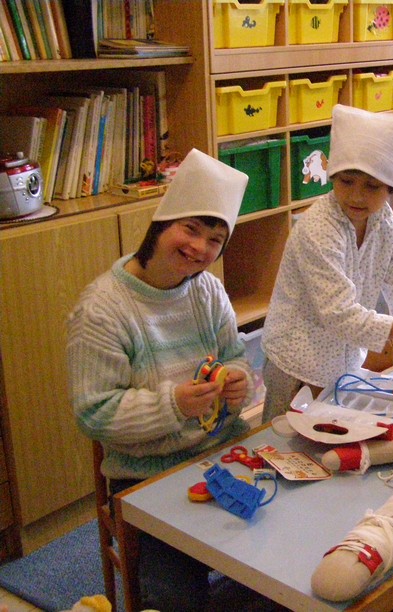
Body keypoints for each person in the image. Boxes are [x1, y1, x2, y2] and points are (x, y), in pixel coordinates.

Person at [67, 149, 266, 611]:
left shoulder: (208, 290)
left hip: (223, 454)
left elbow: (236, 359)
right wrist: (173, 404)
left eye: (214, 240)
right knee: (175, 599)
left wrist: (238, 382)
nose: (199, 248)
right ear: (161, 223)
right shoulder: (101, 310)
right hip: (145, 477)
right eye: (190, 229)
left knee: (285, 559)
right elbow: (93, 413)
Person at [260, 104, 393, 422]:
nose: (357, 196)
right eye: (346, 181)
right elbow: (342, 317)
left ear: (392, 187)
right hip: (295, 365)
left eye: (372, 186)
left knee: (333, 436)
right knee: (285, 439)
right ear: (332, 176)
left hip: (344, 366)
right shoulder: (318, 228)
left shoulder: (384, 224)